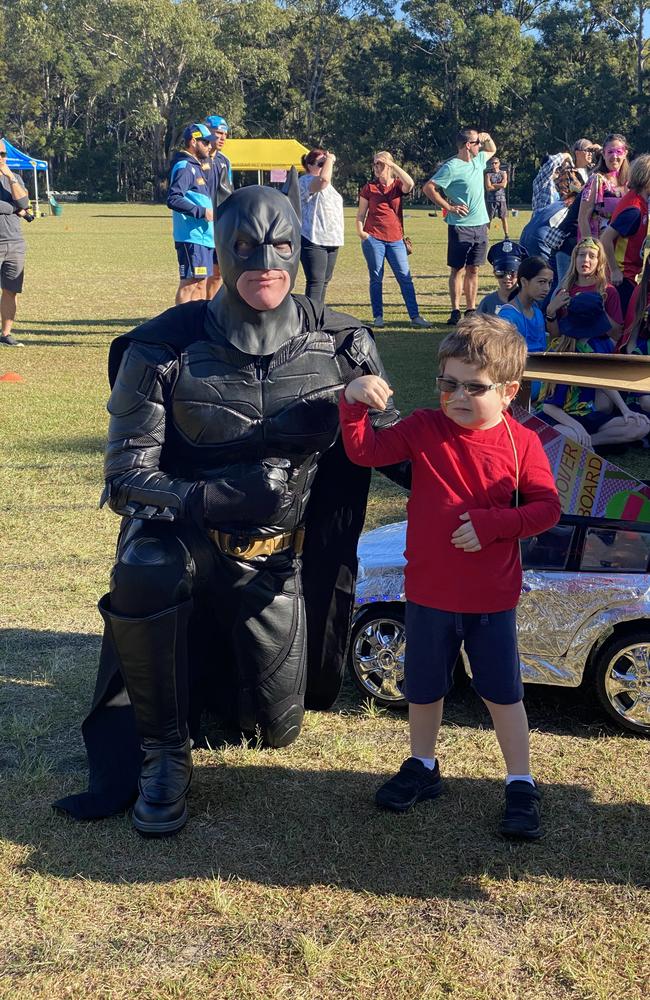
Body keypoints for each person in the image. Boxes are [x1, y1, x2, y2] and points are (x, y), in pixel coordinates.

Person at [53, 179, 408, 836]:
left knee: (273, 731)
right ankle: (162, 756)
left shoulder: (342, 343)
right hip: (187, 541)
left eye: (279, 246)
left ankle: (220, 684)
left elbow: (393, 448)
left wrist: (488, 447)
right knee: (145, 564)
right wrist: (214, 497)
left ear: (298, 248)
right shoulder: (162, 346)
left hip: (275, 562)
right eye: (245, 248)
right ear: (220, 251)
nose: (265, 265)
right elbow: (126, 479)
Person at [339, 315, 561, 839]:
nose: (459, 396)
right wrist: (352, 399)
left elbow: (546, 509)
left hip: (490, 597)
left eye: (475, 387)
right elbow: (365, 450)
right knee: (423, 686)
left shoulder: (521, 443)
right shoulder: (423, 427)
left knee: (502, 691)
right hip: (429, 592)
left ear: (509, 392)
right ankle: (423, 765)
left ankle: (520, 781)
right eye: (449, 383)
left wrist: (492, 525)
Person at [537, 294, 650, 447]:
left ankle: (588, 444)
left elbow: (602, 381)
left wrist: (626, 411)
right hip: (560, 418)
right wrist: (578, 428)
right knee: (572, 435)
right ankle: (583, 441)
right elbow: (548, 407)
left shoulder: (590, 347)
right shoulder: (561, 355)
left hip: (586, 414)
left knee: (640, 425)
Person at [424, 128, 496, 324]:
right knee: (458, 269)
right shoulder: (451, 167)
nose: (480, 146)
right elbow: (428, 188)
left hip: (480, 225)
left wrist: (486, 137)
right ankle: (455, 310)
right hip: (460, 226)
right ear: (467, 145)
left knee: (474, 269)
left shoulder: (478, 160)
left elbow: (492, 149)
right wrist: (449, 207)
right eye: (476, 143)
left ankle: (471, 309)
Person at [356, 151, 431, 328]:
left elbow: (410, 183)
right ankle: (378, 317)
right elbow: (360, 214)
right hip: (373, 238)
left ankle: (415, 316)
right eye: (375, 164)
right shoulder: (369, 188)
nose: (376, 167)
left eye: (380, 163)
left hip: (396, 239)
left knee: (405, 278)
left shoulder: (397, 185)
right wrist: (362, 234)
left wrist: (392, 165)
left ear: (389, 165)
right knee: (376, 278)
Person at [166, 123, 215, 304]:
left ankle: (198, 325)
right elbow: (173, 198)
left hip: (204, 237)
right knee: (189, 284)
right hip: (191, 237)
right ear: (193, 141)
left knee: (201, 283)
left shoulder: (198, 166)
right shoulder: (184, 166)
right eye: (206, 142)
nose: (210, 146)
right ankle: (181, 328)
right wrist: (202, 212)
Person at [599, 153, 650, 315]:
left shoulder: (638, 201)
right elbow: (606, 238)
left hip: (629, 275)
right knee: (624, 324)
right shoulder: (634, 210)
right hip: (621, 278)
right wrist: (614, 270)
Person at [545, 237, 623, 341]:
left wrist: (600, 312)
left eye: (592, 256)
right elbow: (555, 337)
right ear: (575, 259)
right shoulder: (564, 292)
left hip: (598, 352)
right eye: (581, 255)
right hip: (569, 350)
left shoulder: (608, 291)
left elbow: (617, 335)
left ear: (599, 262)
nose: (586, 259)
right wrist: (550, 313)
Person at [298, 148, 344, 302]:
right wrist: (330, 159)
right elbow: (323, 181)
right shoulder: (305, 181)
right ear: (310, 165)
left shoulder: (329, 186)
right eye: (321, 163)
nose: (326, 166)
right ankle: (310, 321)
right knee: (316, 283)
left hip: (331, 239)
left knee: (324, 282)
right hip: (313, 238)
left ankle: (318, 317)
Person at [0, 138, 30, 346]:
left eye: (3, 154)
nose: (1, 158)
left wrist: (10, 177)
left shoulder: (14, 177)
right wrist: (15, 209)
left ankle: (5, 334)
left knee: (11, 290)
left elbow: (24, 202)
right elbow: (17, 207)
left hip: (14, 242)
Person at [578, 133, 629, 240]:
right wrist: (589, 245)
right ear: (603, 154)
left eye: (618, 152)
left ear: (625, 154)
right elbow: (583, 218)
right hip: (599, 248)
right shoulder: (596, 180)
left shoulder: (630, 183)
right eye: (610, 152)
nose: (614, 156)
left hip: (622, 249)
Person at [205, 114, 234, 299]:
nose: (222, 137)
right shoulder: (197, 159)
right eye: (218, 133)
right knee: (200, 276)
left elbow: (229, 191)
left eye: (225, 134)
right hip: (201, 222)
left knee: (218, 273)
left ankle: (212, 309)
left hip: (220, 223)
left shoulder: (225, 161)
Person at [498, 257, 552, 352]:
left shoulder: (537, 312)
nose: (546, 288)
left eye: (549, 283)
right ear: (524, 281)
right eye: (541, 282)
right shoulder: (507, 316)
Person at [477, 240, 527, 316]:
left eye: (513, 273)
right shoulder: (488, 302)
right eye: (500, 273)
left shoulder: (528, 301)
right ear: (494, 273)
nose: (507, 277)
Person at [485, 157, 509, 237]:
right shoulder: (488, 174)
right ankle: (485, 236)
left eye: (495, 163)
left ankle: (506, 235)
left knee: (504, 218)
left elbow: (504, 185)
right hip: (490, 200)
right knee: (488, 219)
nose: (494, 165)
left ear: (499, 164)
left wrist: (493, 185)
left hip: (501, 199)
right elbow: (488, 187)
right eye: (492, 163)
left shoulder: (503, 173)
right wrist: (499, 185)